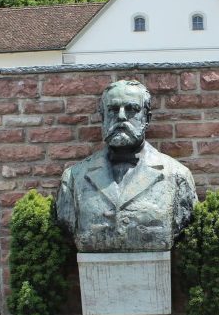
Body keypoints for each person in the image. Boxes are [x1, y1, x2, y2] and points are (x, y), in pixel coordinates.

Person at [56, 79, 197, 253]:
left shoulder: (177, 176)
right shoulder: (73, 178)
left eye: (131, 109)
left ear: (146, 118)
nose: (121, 116)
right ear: (103, 118)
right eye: (113, 110)